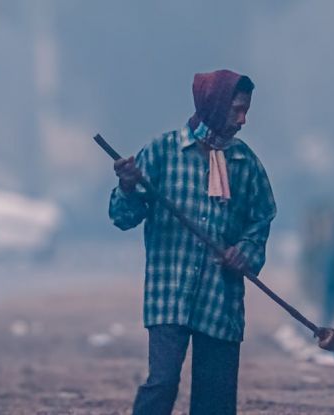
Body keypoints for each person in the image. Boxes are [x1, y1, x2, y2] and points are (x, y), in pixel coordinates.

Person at [108, 69, 277, 415]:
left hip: (221, 298)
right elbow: (123, 217)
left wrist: (244, 253)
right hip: (169, 293)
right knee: (162, 383)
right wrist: (127, 187)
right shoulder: (162, 152)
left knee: (214, 399)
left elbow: (261, 219)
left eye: (246, 110)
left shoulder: (245, 163)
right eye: (238, 110)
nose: (243, 120)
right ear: (214, 106)